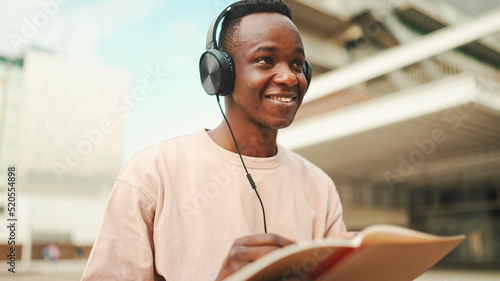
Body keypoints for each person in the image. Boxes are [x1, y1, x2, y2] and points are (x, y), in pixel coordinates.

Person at [81, 1, 346, 280]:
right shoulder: (151, 175)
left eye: (297, 64)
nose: (289, 77)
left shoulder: (319, 187)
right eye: (266, 60)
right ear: (220, 73)